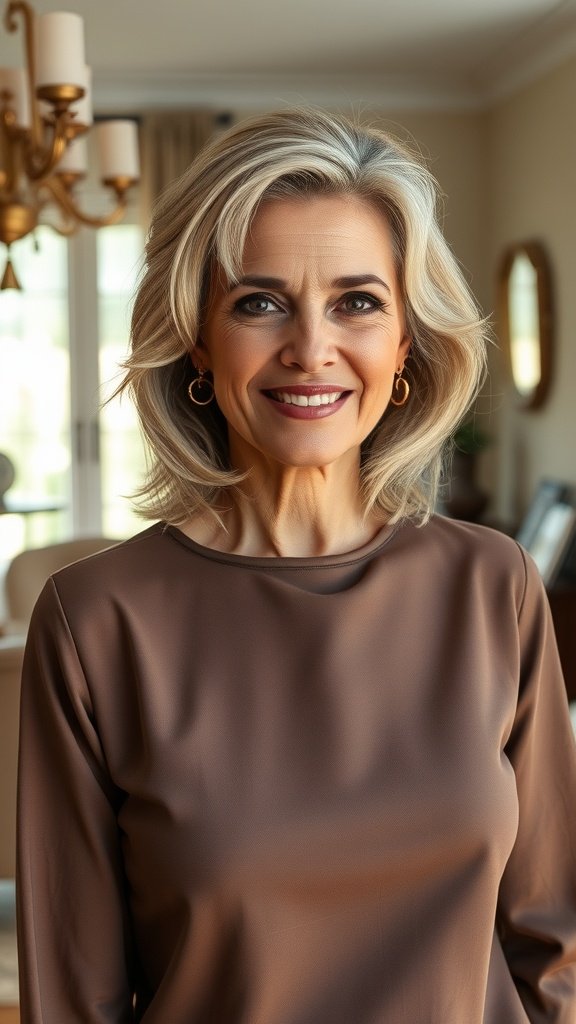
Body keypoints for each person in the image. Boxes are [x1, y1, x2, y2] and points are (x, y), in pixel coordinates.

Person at [17, 108, 576, 1023]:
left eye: (358, 302)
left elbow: (555, 949)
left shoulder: (493, 586)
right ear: (199, 341)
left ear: (405, 343)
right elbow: (74, 997)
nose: (311, 348)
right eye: (259, 302)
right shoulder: (96, 621)